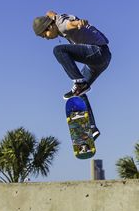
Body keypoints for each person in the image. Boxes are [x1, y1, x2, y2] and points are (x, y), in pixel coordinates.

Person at [32, 11, 112, 140]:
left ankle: (79, 82)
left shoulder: (62, 25)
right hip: (100, 61)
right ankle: (92, 128)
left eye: (44, 34)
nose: (46, 38)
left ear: (50, 26)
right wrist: (50, 14)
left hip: (98, 52)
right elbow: (52, 14)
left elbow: (69, 25)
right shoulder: (55, 19)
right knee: (78, 93)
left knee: (58, 50)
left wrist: (78, 23)